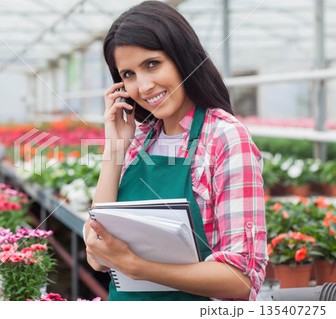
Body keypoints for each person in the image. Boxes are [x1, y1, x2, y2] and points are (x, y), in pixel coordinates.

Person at [84, 1, 267, 301]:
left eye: (152, 64)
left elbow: (241, 279)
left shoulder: (225, 139)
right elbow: (97, 256)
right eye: (128, 74)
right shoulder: (139, 140)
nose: (142, 86)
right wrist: (115, 149)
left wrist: (138, 267)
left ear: (182, 58)